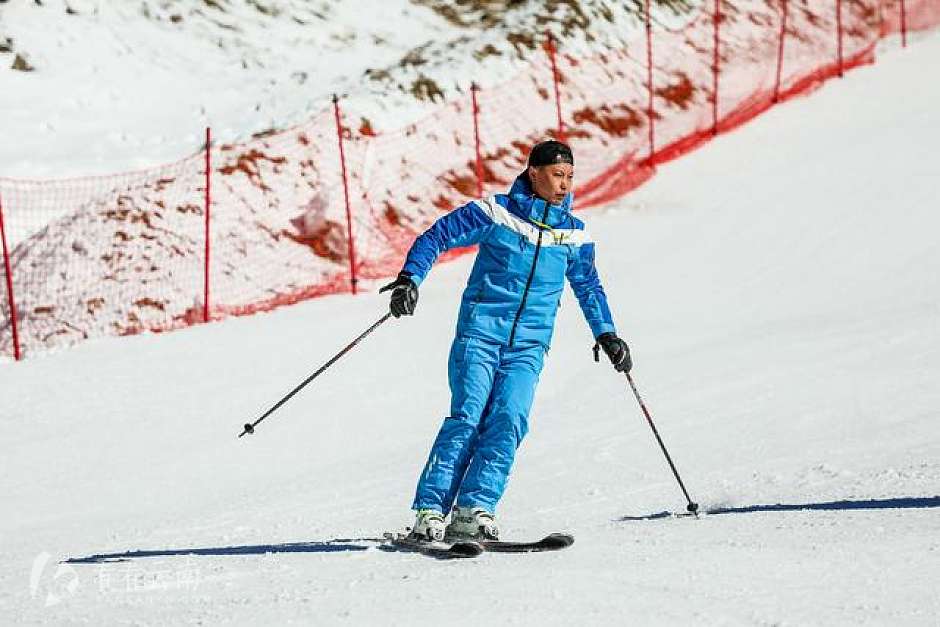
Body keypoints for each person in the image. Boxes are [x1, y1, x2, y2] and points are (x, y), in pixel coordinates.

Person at [380, 140, 631, 542]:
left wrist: (607, 333)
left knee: (510, 418)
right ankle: (429, 511)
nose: (564, 184)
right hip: (480, 333)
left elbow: (588, 286)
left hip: (529, 345)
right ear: (534, 173)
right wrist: (411, 277)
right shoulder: (496, 213)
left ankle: (474, 508)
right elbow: (437, 236)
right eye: (556, 175)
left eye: (569, 176)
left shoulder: (574, 236)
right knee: (468, 415)